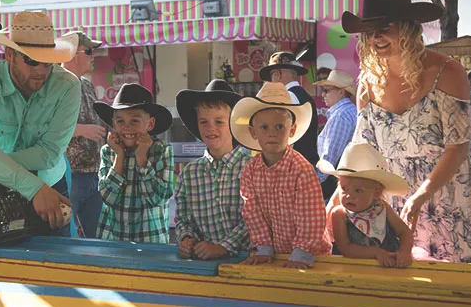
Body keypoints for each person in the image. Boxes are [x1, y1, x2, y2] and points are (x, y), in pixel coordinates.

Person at [342, 0, 471, 262]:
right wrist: (338, 202)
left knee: (463, 290)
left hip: (452, 196)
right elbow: (362, 156)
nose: (377, 37)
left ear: (409, 27)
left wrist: (420, 196)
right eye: (370, 30)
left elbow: (457, 148)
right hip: (397, 203)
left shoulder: (447, 71)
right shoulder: (367, 85)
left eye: (386, 26)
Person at [0, 11, 80, 233]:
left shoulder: (68, 86)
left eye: (48, 63)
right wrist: (34, 188)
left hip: (49, 183)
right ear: (9, 54)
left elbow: (49, 153)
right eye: (32, 60)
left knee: (54, 262)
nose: (42, 71)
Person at [230, 82, 331, 268]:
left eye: (279, 127)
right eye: (264, 127)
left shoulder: (302, 169)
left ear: (291, 130)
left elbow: (311, 217)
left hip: (311, 256)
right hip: (275, 255)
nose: (272, 134)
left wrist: (301, 252)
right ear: (253, 132)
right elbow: (252, 213)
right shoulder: (250, 171)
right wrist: (263, 247)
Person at [175, 80, 250, 260]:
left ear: (234, 124)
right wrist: (186, 238)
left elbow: (256, 218)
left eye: (219, 122)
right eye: (203, 122)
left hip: (247, 261)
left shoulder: (252, 168)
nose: (211, 128)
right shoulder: (189, 173)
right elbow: (184, 219)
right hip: (202, 264)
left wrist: (222, 247)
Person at [94, 83, 174, 243]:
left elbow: (158, 198)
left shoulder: (161, 151)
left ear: (150, 124)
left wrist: (142, 158)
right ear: (114, 124)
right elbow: (107, 197)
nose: (127, 127)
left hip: (150, 239)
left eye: (135, 121)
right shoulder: (108, 151)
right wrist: (119, 156)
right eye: (120, 121)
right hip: (112, 239)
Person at [318, 143, 413, 268]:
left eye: (358, 190)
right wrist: (376, 252)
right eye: (344, 188)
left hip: (391, 265)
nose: (348, 196)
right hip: (356, 269)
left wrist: (404, 251)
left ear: (376, 193)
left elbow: (404, 232)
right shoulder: (340, 214)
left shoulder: (382, 207)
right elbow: (345, 248)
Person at [62, 31, 106, 238]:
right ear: (71, 53)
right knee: (65, 233)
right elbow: (45, 126)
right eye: (88, 51)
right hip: (69, 174)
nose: (92, 56)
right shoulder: (55, 84)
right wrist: (82, 130)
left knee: (95, 236)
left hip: (94, 173)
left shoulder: (87, 85)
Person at [259, 52, 319, 167]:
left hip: (294, 164)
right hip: (306, 160)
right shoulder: (303, 95)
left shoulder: (287, 96)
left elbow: (285, 135)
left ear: (277, 74)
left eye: (272, 75)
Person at [313, 70, 357, 201]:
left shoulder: (340, 115)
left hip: (335, 181)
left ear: (341, 92)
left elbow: (329, 157)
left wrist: (314, 182)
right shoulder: (348, 111)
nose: (322, 95)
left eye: (326, 90)